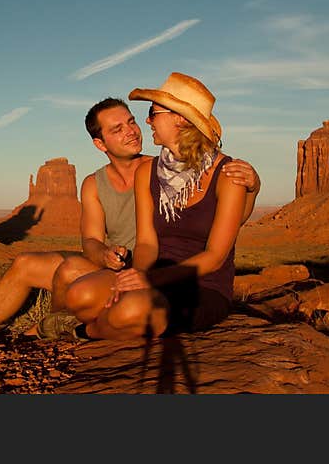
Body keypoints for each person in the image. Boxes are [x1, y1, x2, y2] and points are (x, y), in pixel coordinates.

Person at [0, 94, 259, 354]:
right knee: (49, 274)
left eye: (140, 118)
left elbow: (221, 234)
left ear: (181, 120)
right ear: (100, 144)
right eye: (118, 128)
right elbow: (122, 241)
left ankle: (67, 332)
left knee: (89, 286)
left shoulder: (217, 172)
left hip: (188, 280)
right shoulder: (116, 179)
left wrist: (252, 188)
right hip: (139, 268)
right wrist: (114, 261)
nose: (138, 127)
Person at [62, 72, 245, 340]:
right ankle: (115, 319)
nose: (147, 121)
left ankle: (87, 331)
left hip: (201, 286)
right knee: (80, 294)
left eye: (153, 112)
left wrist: (149, 283)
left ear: (179, 119)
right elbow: (147, 243)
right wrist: (138, 277)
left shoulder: (228, 175)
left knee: (130, 312)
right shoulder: (147, 172)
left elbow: (215, 256)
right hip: (155, 275)